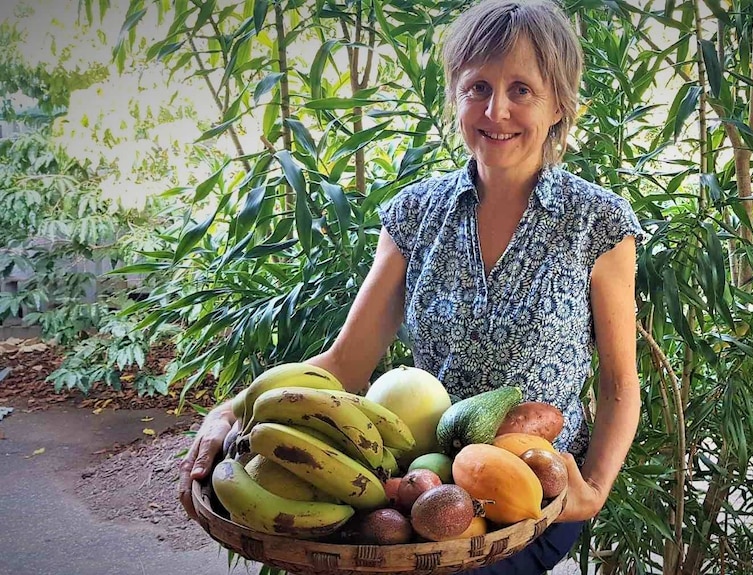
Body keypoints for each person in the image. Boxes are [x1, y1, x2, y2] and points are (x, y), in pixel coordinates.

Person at [179, 0, 643, 572]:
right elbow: (348, 361)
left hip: (528, 494)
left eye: (522, 89)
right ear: (456, 96)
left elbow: (621, 385)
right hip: (423, 486)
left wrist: (593, 487)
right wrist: (232, 410)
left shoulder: (596, 222)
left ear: (558, 105)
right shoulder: (416, 213)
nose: (496, 109)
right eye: (478, 87)